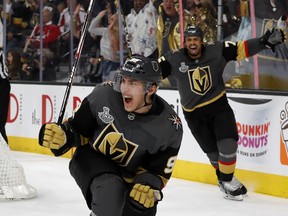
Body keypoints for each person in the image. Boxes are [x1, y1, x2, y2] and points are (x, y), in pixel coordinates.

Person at [38, 55, 183, 216]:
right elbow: (77, 129)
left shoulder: (169, 126)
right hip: (91, 157)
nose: (124, 89)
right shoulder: (104, 95)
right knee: (110, 191)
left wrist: (147, 185)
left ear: (151, 89)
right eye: (124, 80)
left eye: (133, 83)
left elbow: (157, 172)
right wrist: (63, 136)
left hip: (130, 173)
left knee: (142, 205)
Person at [158, 25, 286, 201]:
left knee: (228, 144)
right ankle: (226, 180)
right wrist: (139, 70)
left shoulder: (216, 51)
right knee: (213, 155)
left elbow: (242, 49)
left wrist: (263, 42)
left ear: (201, 41)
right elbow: (154, 72)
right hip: (194, 115)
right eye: (189, 40)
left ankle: (225, 180)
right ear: (184, 42)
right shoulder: (173, 58)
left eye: (195, 39)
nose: (192, 43)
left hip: (217, 105)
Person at [0, 49, 11, 144]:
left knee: (1, 119)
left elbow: (4, 74)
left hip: (2, 85)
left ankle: (3, 148)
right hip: (3, 84)